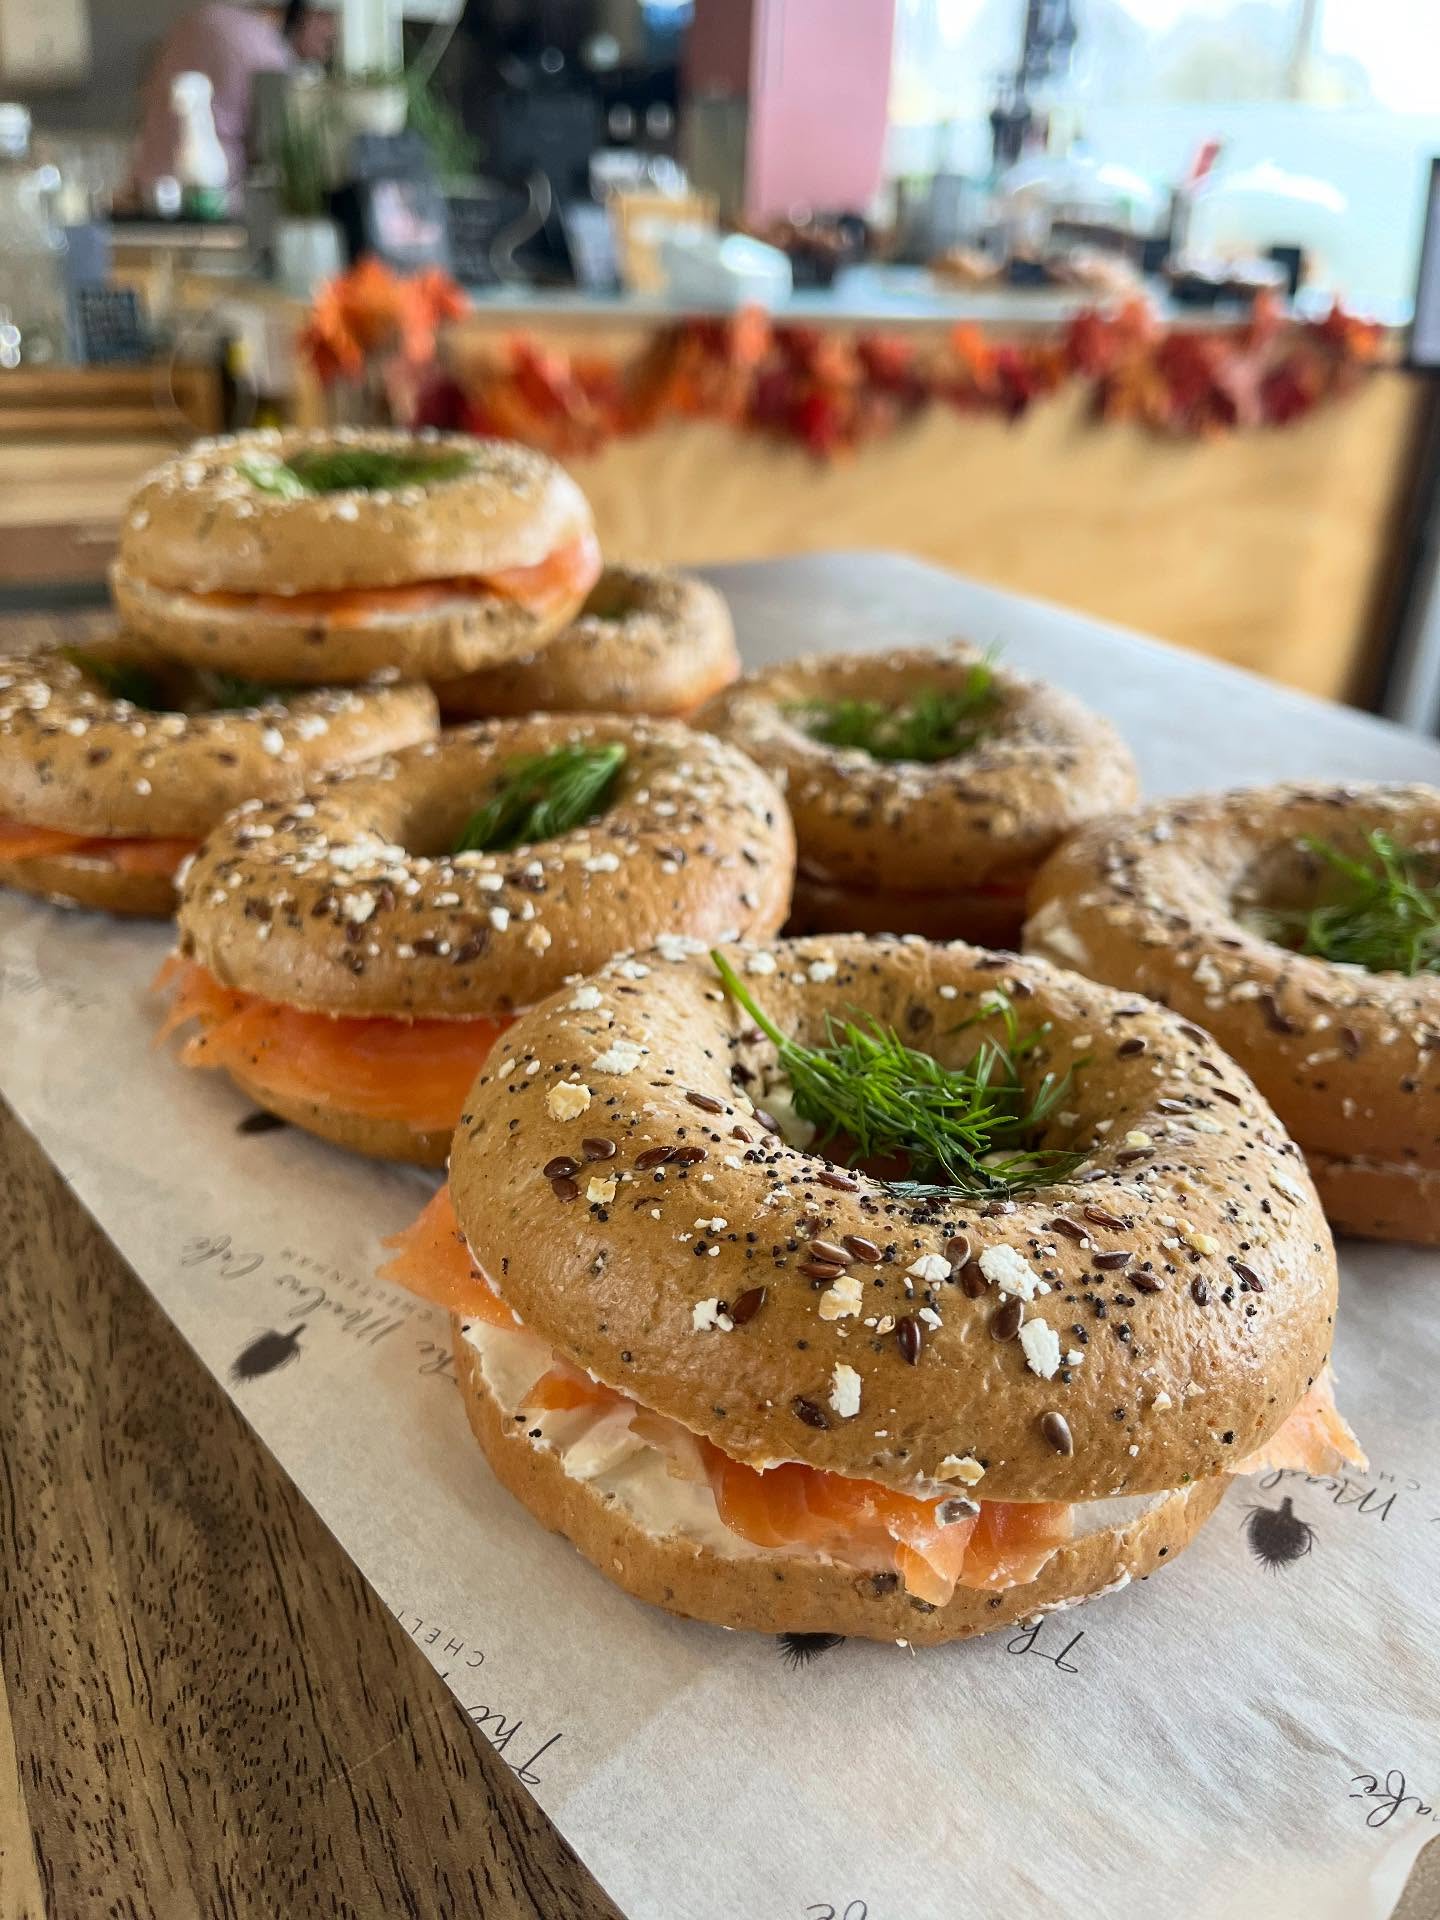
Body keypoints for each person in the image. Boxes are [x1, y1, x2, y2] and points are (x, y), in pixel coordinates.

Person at [131, 1, 335, 206]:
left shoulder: (195, 22)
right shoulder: (267, 52)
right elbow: (270, 149)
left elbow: (150, 97)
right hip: (217, 200)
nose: (328, 41)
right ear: (307, 17)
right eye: (326, 33)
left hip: (151, 187)